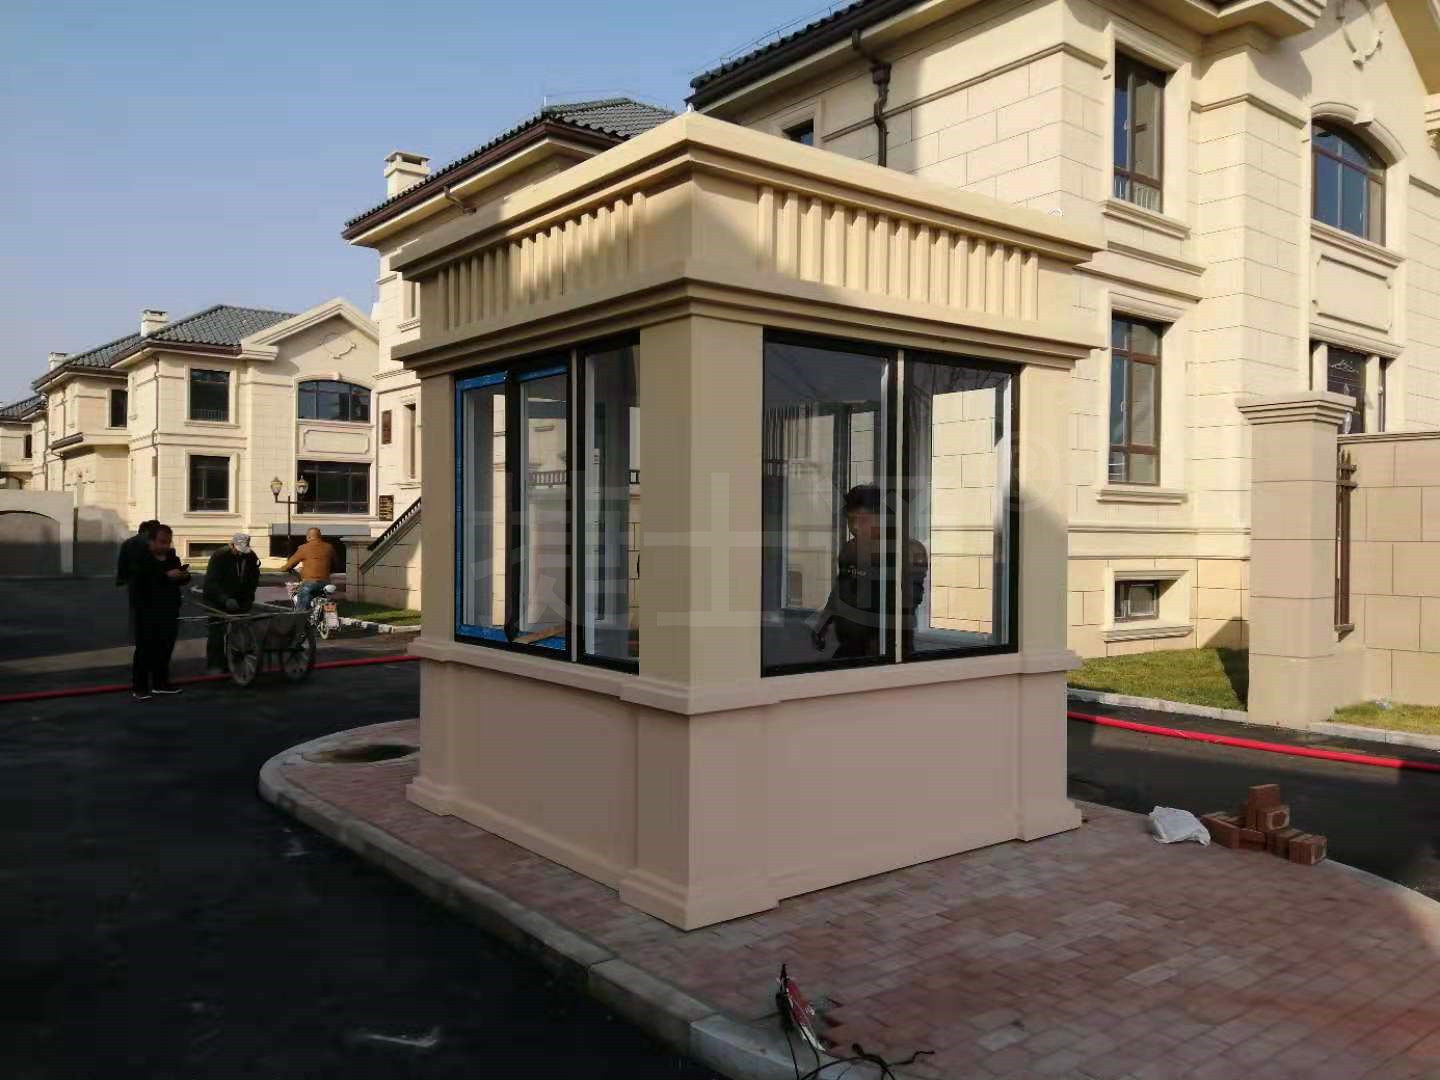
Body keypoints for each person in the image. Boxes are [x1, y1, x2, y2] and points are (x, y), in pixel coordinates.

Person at [811, 485, 929, 659]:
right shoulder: (850, 550)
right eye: (851, 520)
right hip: (850, 647)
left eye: (863, 520)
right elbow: (840, 590)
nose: (855, 527)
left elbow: (907, 603)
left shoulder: (909, 551)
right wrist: (823, 623)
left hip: (889, 650)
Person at [129, 524, 190, 701]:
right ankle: (140, 687)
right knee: (145, 648)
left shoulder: (171, 557)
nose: (165, 546)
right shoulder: (140, 558)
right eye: (162, 542)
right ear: (151, 541)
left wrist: (183, 576)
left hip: (169, 608)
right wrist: (166, 576)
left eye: (168, 542)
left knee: (165, 647)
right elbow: (140, 582)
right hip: (147, 609)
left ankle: (160, 683)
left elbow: (180, 578)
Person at [203, 532, 261, 673]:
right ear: (232, 545)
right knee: (217, 631)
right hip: (217, 599)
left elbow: (253, 579)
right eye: (239, 550)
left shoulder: (250, 556)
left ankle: (234, 661)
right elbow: (211, 582)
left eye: (244, 550)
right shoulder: (219, 556)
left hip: (239, 598)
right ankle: (215, 664)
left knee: (239, 631)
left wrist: (249, 598)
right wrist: (225, 599)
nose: (241, 553)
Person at [283, 528, 336, 612]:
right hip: (326, 582)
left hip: (310, 583)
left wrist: (282, 569)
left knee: (301, 609)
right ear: (320, 536)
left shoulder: (304, 548)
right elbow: (336, 564)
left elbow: (289, 565)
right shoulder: (329, 547)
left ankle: (301, 616)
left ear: (308, 537)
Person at [116, 520, 160, 588]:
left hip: (133, 578)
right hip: (149, 578)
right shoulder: (152, 542)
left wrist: (121, 578)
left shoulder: (127, 542)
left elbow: (122, 562)